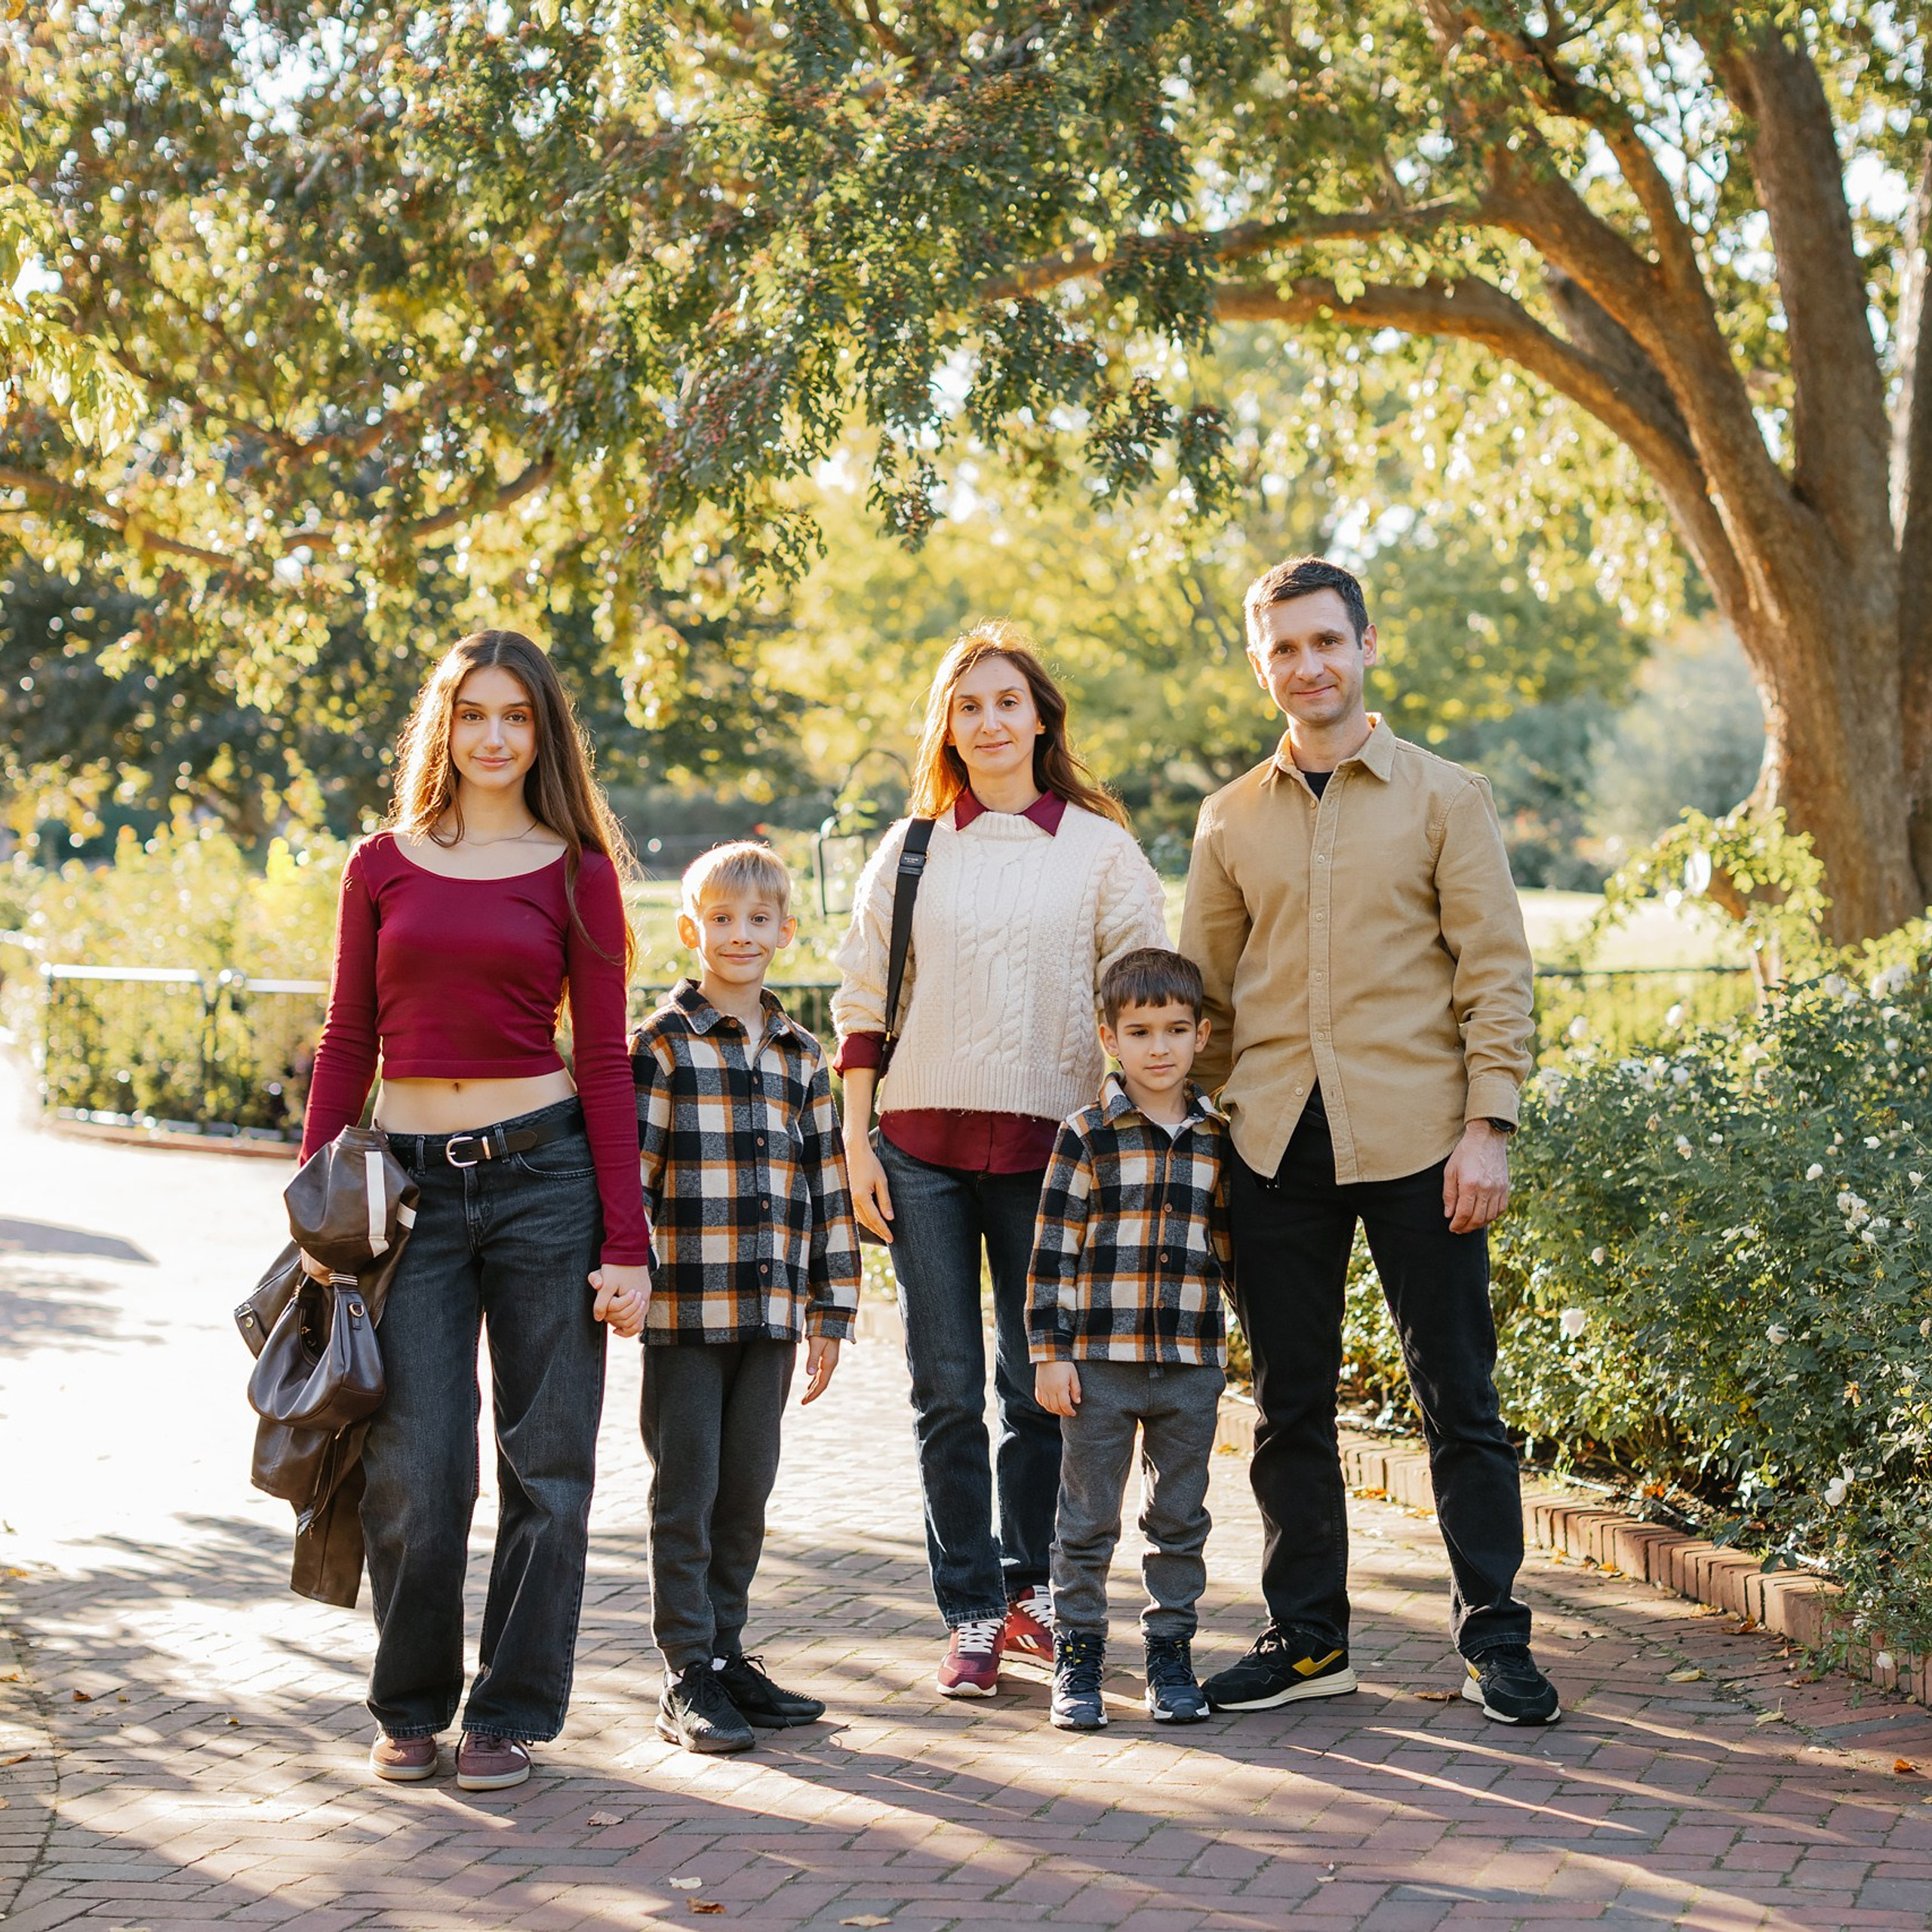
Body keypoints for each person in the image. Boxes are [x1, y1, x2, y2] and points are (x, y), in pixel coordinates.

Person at [1179, 555, 1558, 1726]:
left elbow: (1495, 973)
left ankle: (1494, 1637)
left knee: (1461, 1399)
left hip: (1421, 1141)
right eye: (1284, 649)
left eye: (1325, 642)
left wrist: (1487, 1124)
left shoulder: (1446, 797)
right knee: (1290, 1405)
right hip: (1274, 1141)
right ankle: (1308, 1641)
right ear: (1262, 666)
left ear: (1366, 645)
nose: (1307, 666)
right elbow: (1207, 1001)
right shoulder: (1228, 818)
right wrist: (1195, 1137)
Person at [300, 629, 652, 1793]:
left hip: (546, 1176)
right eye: (474, 714)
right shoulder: (379, 865)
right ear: (443, 726)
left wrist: (625, 1242)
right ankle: (410, 1705)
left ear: (543, 733)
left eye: (517, 717)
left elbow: (603, 1062)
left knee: (547, 1467)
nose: (495, 737)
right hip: (409, 1195)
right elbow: (350, 1039)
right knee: (415, 1464)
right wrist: (319, 1217)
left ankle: (507, 1713)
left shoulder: (576, 870)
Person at [832, 620, 1169, 1698]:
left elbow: (1142, 1000)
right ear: (948, 725)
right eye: (967, 705)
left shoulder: (1103, 850)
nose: (988, 722)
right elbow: (860, 1011)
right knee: (944, 1389)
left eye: (1006, 702)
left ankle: (1034, 1594)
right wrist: (855, 1145)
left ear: (1040, 718)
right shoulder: (913, 847)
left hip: (1048, 1156)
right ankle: (971, 1611)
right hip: (919, 1150)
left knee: (1037, 1390)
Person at [632, 842, 861, 1755]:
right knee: (684, 1489)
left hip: (769, 1313)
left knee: (746, 1489)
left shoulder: (805, 1056)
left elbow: (828, 1183)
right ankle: (684, 1669)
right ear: (691, 929)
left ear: (784, 932)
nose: (739, 935)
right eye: (720, 919)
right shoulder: (659, 1046)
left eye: (757, 920)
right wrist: (624, 1275)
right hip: (684, 1313)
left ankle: (726, 1654)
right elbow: (633, 1184)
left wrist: (830, 1309)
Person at [1027, 948, 1232, 1732]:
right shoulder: (1085, 1136)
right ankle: (1077, 1658)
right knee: (1086, 1522)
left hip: (1187, 1367)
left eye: (1175, 1030)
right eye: (1140, 1030)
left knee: (1179, 1520)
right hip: (1098, 1370)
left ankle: (1170, 1655)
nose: (1158, 1047)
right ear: (1109, 1036)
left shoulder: (1217, 1137)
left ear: (1201, 1034)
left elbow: (1227, 1247)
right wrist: (1050, 1352)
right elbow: (1052, 1255)